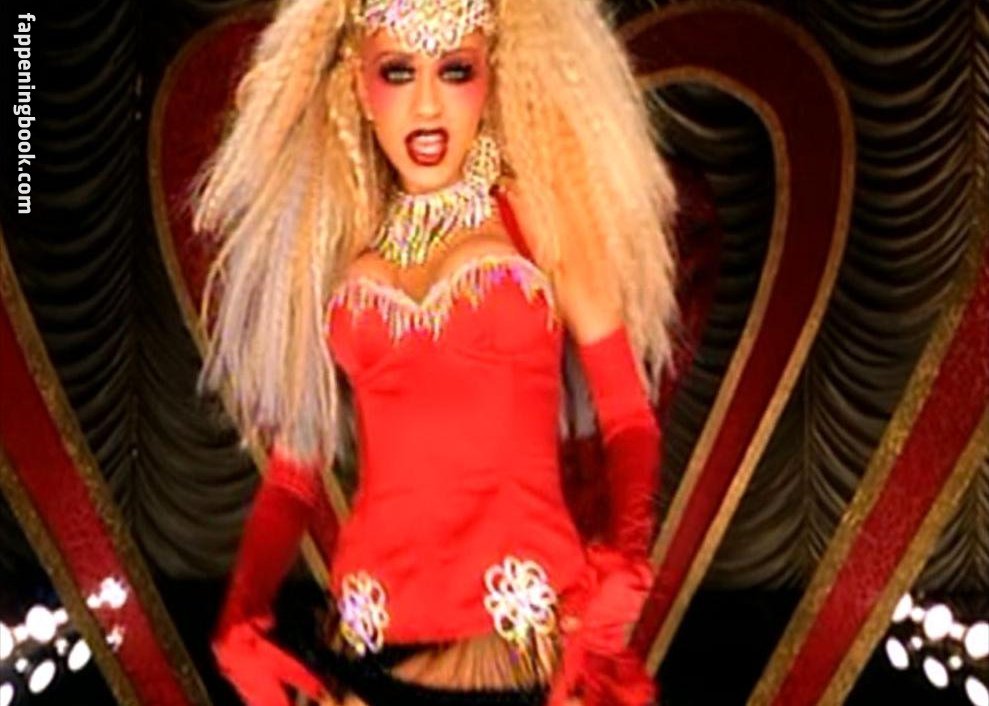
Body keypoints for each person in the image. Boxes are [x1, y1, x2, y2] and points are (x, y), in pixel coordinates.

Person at [190, 0, 677, 704]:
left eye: (454, 70)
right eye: (398, 71)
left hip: (518, 652)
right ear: (360, 87)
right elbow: (295, 476)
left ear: (491, 76)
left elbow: (627, 416)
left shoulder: (539, 214)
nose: (426, 105)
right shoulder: (338, 246)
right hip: (368, 646)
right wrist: (241, 610)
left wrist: (627, 556)